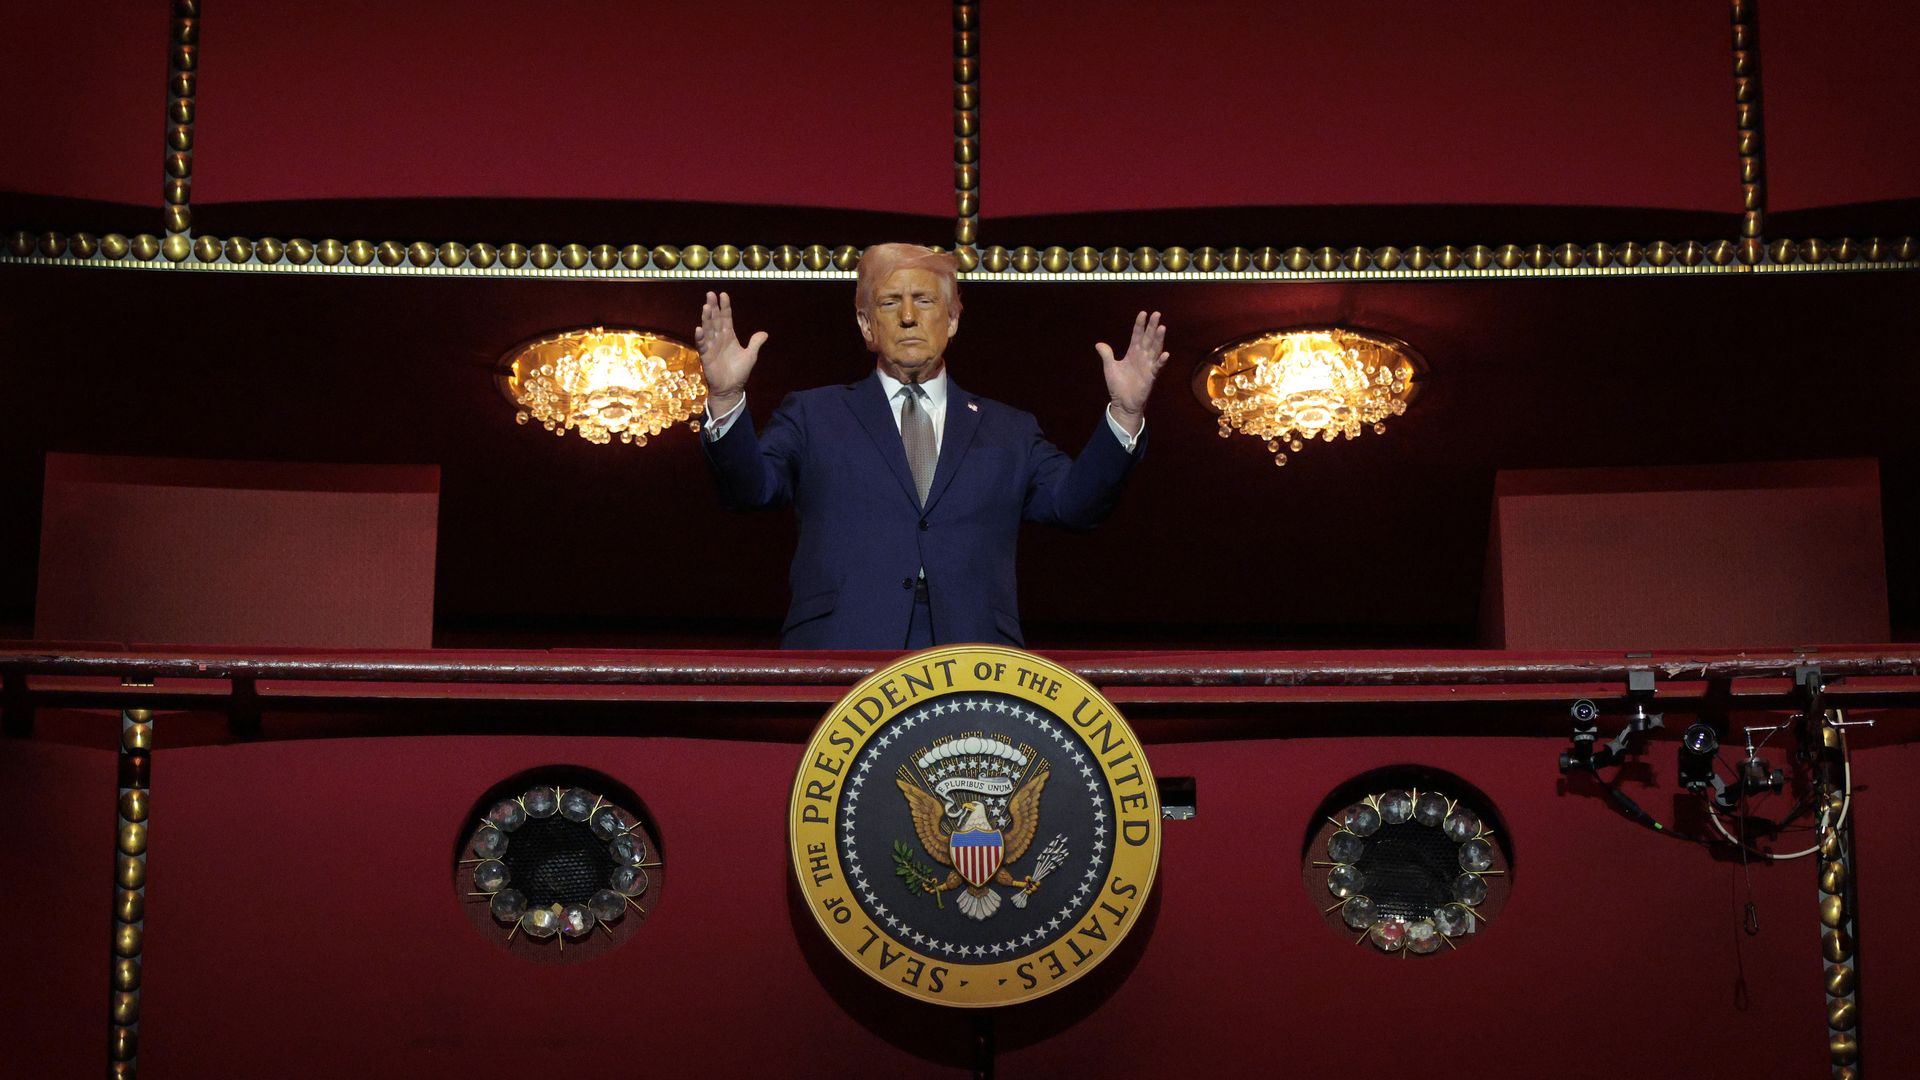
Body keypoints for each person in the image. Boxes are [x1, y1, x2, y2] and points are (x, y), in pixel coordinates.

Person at [697, 242, 1169, 649]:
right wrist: (725, 398)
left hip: (973, 656)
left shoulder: (1010, 431)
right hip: (844, 648)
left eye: (923, 300)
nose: (907, 317)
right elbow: (750, 490)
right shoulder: (813, 415)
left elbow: (1076, 506)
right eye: (889, 304)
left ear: (953, 319)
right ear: (866, 325)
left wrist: (1125, 414)